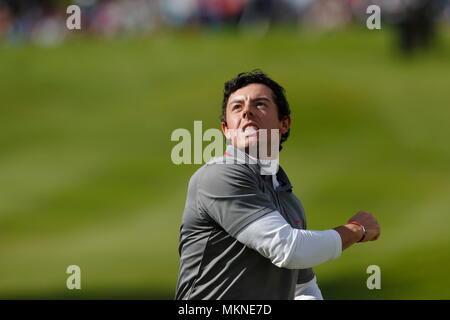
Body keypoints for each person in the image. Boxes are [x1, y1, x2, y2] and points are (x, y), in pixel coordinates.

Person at [175, 70, 380, 300]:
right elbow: (288, 249)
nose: (247, 111)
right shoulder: (220, 176)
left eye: (260, 104)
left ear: (284, 124)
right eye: (237, 107)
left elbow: (302, 289)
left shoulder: (288, 200)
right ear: (226, 130)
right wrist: (355, 230)